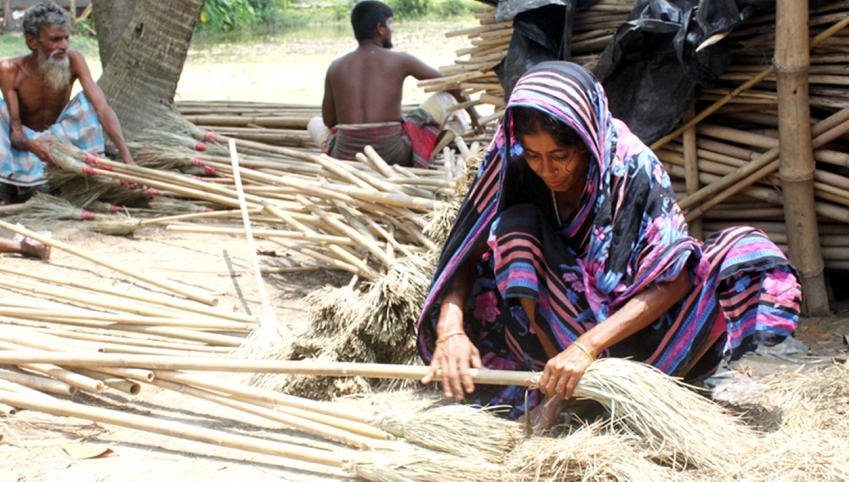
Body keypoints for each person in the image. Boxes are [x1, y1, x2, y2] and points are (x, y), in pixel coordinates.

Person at [418, 61, 801, 428]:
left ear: (586, 140)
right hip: (555, 331)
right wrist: (450, 327)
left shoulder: (632, 167)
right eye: (535, 156)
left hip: (641, 334)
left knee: (746, 252)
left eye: (560, 156)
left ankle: (653, 385)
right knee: (510, 228)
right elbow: (466, 251)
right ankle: (564, 392)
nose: (547, 170)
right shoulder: (514, 161)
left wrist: (587, 348)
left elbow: (676, 278)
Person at [307, 0, 479, 168]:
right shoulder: (400, 60)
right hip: (393, 156)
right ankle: (425, 156)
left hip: (346, 157)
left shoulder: (335, 67)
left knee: (314, 123)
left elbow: (329, 121)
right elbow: (451, 84)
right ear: (380, 29)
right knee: (446, 99)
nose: (392, 30)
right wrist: (474, 115)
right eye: (390, 24)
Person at [0, 1, 133, 204]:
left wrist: (128, 159)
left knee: (88, 101)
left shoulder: (74, 60)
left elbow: (102, 108)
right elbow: (16, 134)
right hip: (24, 143)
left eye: (66, 38)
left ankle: (49, 181)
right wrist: (35, 147)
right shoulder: (10, 70)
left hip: (60, 138)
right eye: (55, 40)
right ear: (32, 42)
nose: (64, 46)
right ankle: (12, 182)